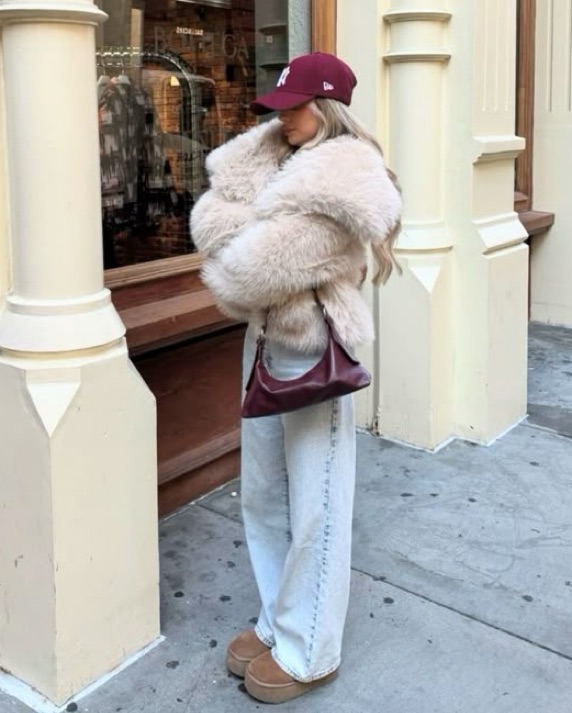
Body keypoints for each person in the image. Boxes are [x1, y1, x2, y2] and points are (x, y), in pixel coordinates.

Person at [190, 52, 402, 704]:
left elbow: (247, 271)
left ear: (328, 106)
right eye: (278, 106)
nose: (282, 117)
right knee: (263, 494)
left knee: (318, 503)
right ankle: (276, 618)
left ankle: (311, 647)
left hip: (311, 347)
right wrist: (257, 228)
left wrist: (252, 230)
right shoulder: (280, 159)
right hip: (263, 341)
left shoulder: (346, 175)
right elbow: (207, 221)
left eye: (296, 105)